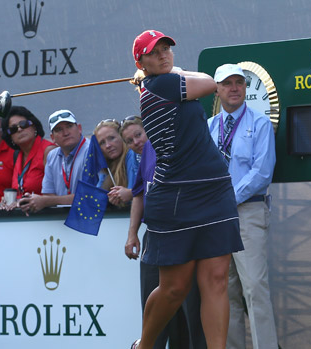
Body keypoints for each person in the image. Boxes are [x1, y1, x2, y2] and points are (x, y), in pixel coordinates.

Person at [130, 30, 243, 349]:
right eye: (155, 52)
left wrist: (168, 71)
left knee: (216, 281)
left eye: (167, 49)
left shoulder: (160, 82)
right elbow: (211, 83)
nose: (164, 54)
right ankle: (146, 345)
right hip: (177, 196)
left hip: (214, 190)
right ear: (142, 61)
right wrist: (175, 72)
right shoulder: (161, 84)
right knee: (174, 288)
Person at [206, 64, 277, 349]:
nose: (234, 88)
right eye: (228, 83)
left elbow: (262, 173)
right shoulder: (209, 127)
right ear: (217, 89)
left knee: (255, 289)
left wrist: (226, 200)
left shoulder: (260, 123)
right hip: (217, 219)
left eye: (239, 82)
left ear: (245, 88)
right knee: (225, 291)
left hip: (248, 212)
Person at [124, 116, 206, 348]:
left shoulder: (183, 143)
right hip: (154, 235)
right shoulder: (148, 152)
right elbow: (139, 194)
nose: (136, 141)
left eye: (138, 135)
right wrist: (132, 234)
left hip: (185, 233)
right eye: (130, 140)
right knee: (153, 309)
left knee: (191, 307)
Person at [16, 109, 89, 214]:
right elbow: (48, 194)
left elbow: (88, 197)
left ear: (79, 128)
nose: (66, 133)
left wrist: (46, 201)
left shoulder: (91, 150)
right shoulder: (52, 155)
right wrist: (41, 201)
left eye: (69, 126)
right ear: (52, 138)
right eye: (59, 129)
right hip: (63, 221)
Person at [0, 106, 56, 210]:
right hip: (26, 220)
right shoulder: (17, 156)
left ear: (34, 126)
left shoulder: (49, 152)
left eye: (23, 124)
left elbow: (60, 194)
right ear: (10, 137)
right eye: (13, 129)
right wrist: (10, 202)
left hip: (49, 219)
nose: (19, 129)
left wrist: (30, 202)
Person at [94, 119, 139, 207]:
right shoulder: (106, 166)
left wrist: (126, 195)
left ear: (122, 137)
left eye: (111, 138)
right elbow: (96, 197)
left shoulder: (132, 154)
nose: (108, 145)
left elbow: (135, 194)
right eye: (102, 143)